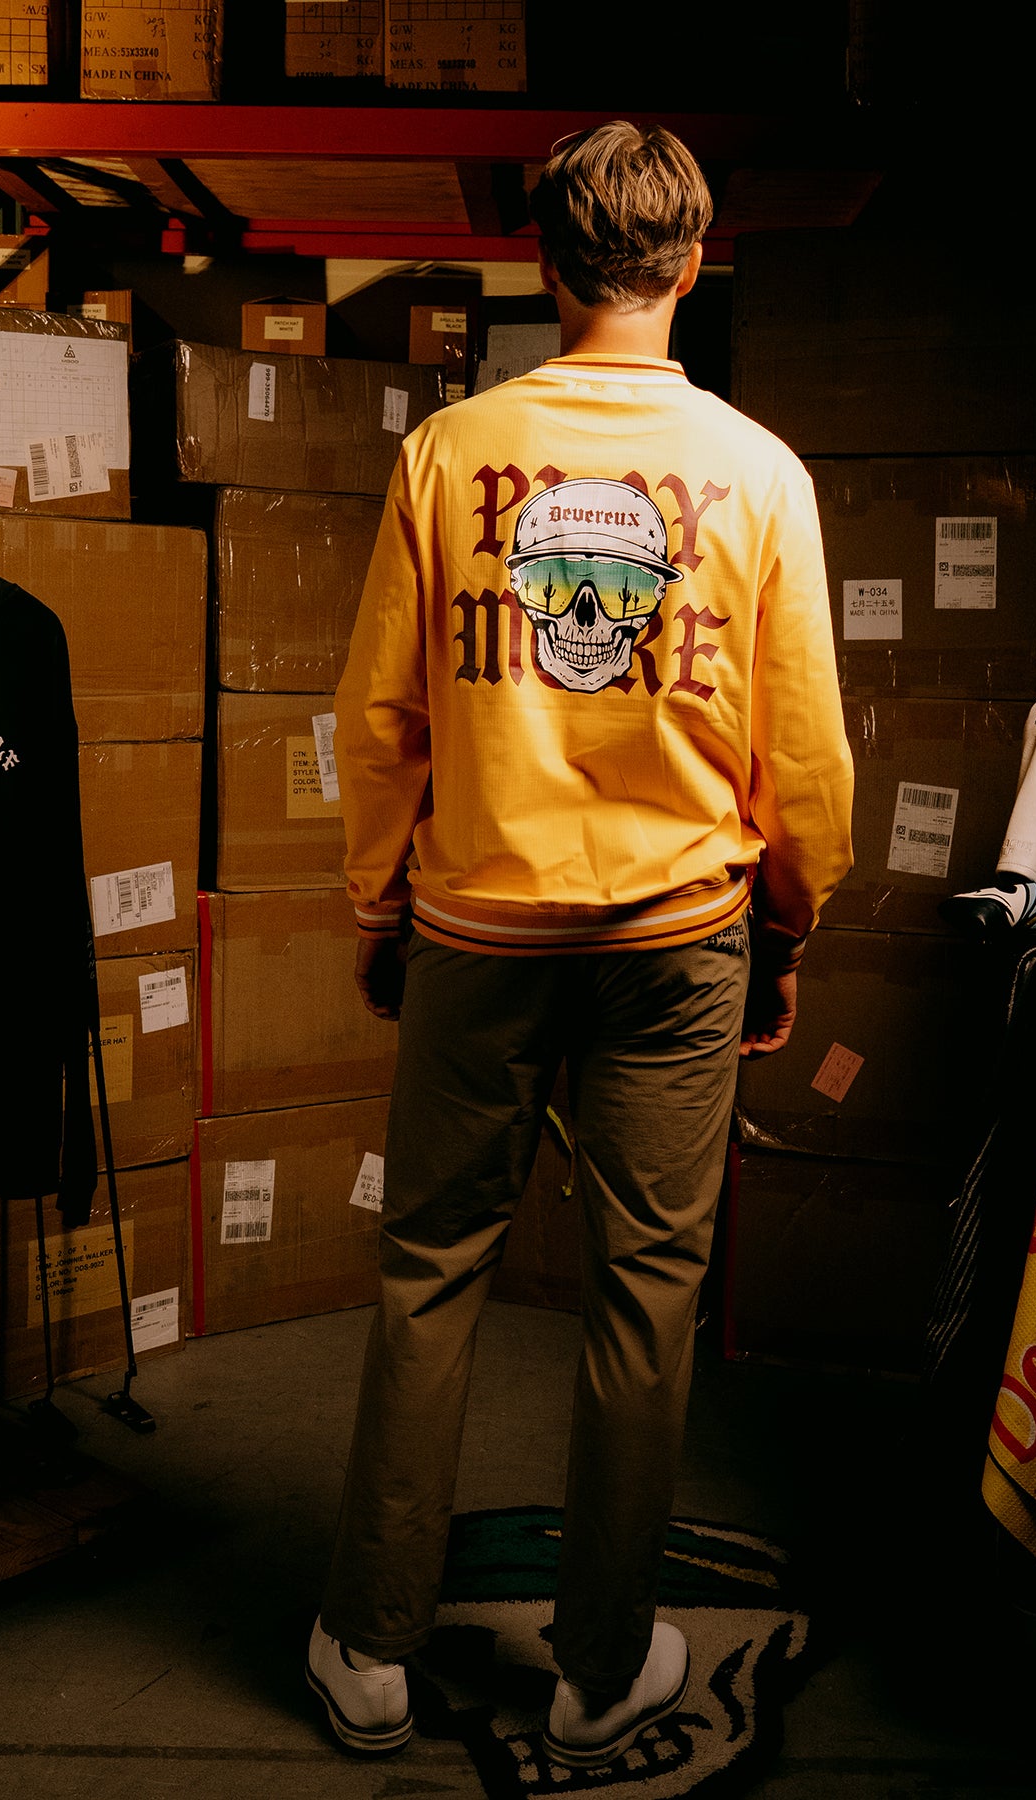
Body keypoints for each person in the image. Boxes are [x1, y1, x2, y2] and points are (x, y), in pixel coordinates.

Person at [307, 119, 854, 1768]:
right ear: (694, 262)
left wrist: (378, 903)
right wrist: (788, 930)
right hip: (681, 933)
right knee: (647, 1292)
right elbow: (807, 753)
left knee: (429, 1272)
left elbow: (381, 713)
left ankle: (369, 1648)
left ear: (542, 263)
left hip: (478, 926)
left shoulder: (448, 452)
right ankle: (604, 1664)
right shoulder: (761, 473)